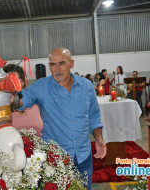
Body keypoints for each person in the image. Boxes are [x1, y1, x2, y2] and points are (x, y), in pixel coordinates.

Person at [11, 47, 106, 190]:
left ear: (71, 63)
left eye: (61, 63)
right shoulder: (42, 87)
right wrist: (12, 98)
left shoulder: (86, 86)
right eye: (52, 64)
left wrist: (99, 139)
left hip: (83, 156)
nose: (57, 69)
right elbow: (23, 100)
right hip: (55, 160)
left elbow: (93, 115)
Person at [3, 64, 43, 137]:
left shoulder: (36, 104)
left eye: (15, 78)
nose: (12, 83)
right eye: (8, 79)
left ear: (23, 82)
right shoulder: (1, 108)